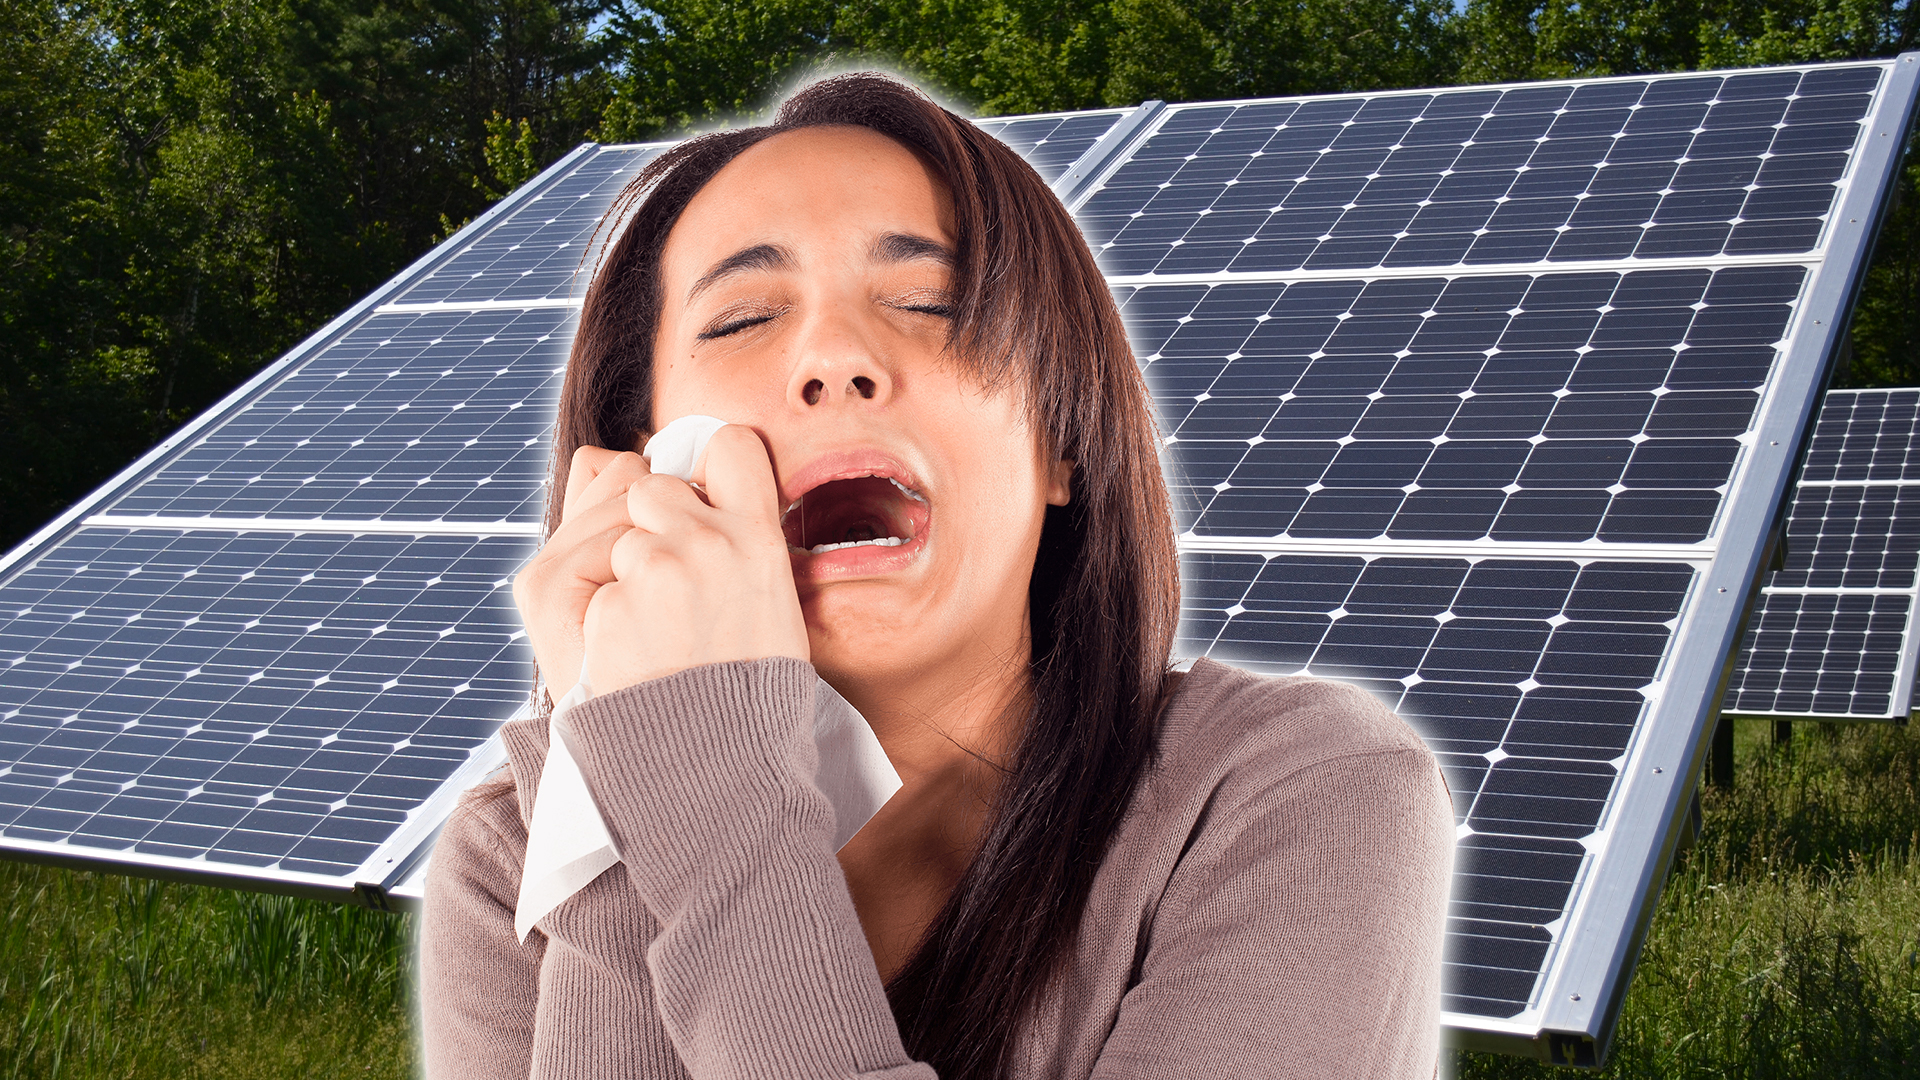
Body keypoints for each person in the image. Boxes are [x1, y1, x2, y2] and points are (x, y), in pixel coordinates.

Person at [419, 71, 1455, 1080]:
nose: (834, 356)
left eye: (928, 302)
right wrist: (611, 807)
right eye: (741, 319)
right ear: (638, 464)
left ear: (1061, 445)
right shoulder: (511, 861)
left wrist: (703, 812)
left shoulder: (1300, 789)